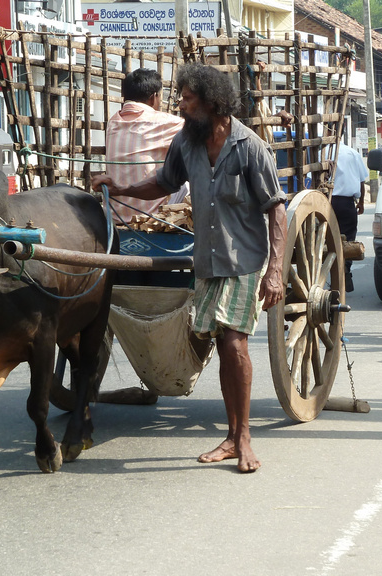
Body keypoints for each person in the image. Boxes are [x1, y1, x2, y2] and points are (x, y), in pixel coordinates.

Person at [92, 63, 286, 473]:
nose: (178, 104)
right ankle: (231, 437)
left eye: (186, 98)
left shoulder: (249, 147)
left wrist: (275, 271)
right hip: (207, 259)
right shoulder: (187, 142)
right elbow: (163, 183)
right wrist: (121, 186)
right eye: (178, 97)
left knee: (234, 344)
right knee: (222, 345)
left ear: (212, 104)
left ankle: (244, 437)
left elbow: (276, 210)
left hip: (245, 261)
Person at [105, 68, 188, 224]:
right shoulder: (167, 123)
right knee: (187, 181)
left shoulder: (113, 122)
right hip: (149, 218)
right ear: (153, 98)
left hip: (115, 217)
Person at [332, 139, 368, 292]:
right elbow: (361, 181)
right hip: (347, 203)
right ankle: (345, 269)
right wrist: (361, 202)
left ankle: (334, 268)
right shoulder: (352, 153)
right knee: (348, 237)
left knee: (329, 237)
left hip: (327, 202)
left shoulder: (322, 152)